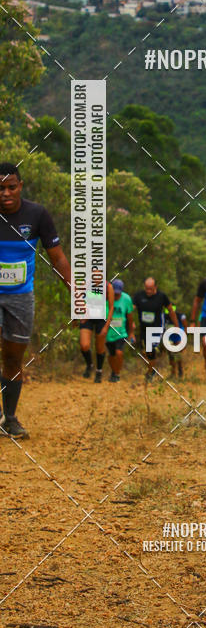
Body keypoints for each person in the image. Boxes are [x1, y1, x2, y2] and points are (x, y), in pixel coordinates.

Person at [0, 162, 71, 438]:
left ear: (20, 187)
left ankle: (10, 418)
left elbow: (58, 258)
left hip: (20, 297)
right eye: (0, 188)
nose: (5, 193)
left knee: (13, 358)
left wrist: (78, 296)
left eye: (11, 187)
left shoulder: (37, 214)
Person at [132, 277, 178, 381]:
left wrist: (177, 326)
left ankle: (152, 373)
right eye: (146, 288)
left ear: (155, 287)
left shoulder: (162, 296)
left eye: (151, 289)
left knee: (152, 349)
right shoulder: (139, 296)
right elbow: (131, 309)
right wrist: (131, 321)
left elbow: (170, 310)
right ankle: (152, 370)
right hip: (144, 328)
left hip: (157, 328)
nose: (148, 291)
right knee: (146, 352)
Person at [79, 273, 115, 383]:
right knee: (84, 345)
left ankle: (99, 371)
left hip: (101, 319)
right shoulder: (86, 285)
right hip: (88, 318)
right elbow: (79, 300)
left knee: (100, 347)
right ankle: (89, 364)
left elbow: (112, 307)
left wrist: (107, 325)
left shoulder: (108, 286)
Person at [106, 278, 135, 383]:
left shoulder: (126, 299)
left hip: (121, 332)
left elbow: (130, 316)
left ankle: (117, 373)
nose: (116, 295)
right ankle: (113, 371)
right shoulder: (106, 298)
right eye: (115, 293)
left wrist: (131, 333)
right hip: (109, 332)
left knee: (119, 353)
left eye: (118, 293)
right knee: (111, 355)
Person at [164, 302, 187, 379]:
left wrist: (184, 340)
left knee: (177, 354)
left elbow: (185, 327)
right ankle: (173, 372)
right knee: (170, 355)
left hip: (178, 337)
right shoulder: (164, 316)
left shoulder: (180, 316)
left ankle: (180, 369)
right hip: (169, 337)